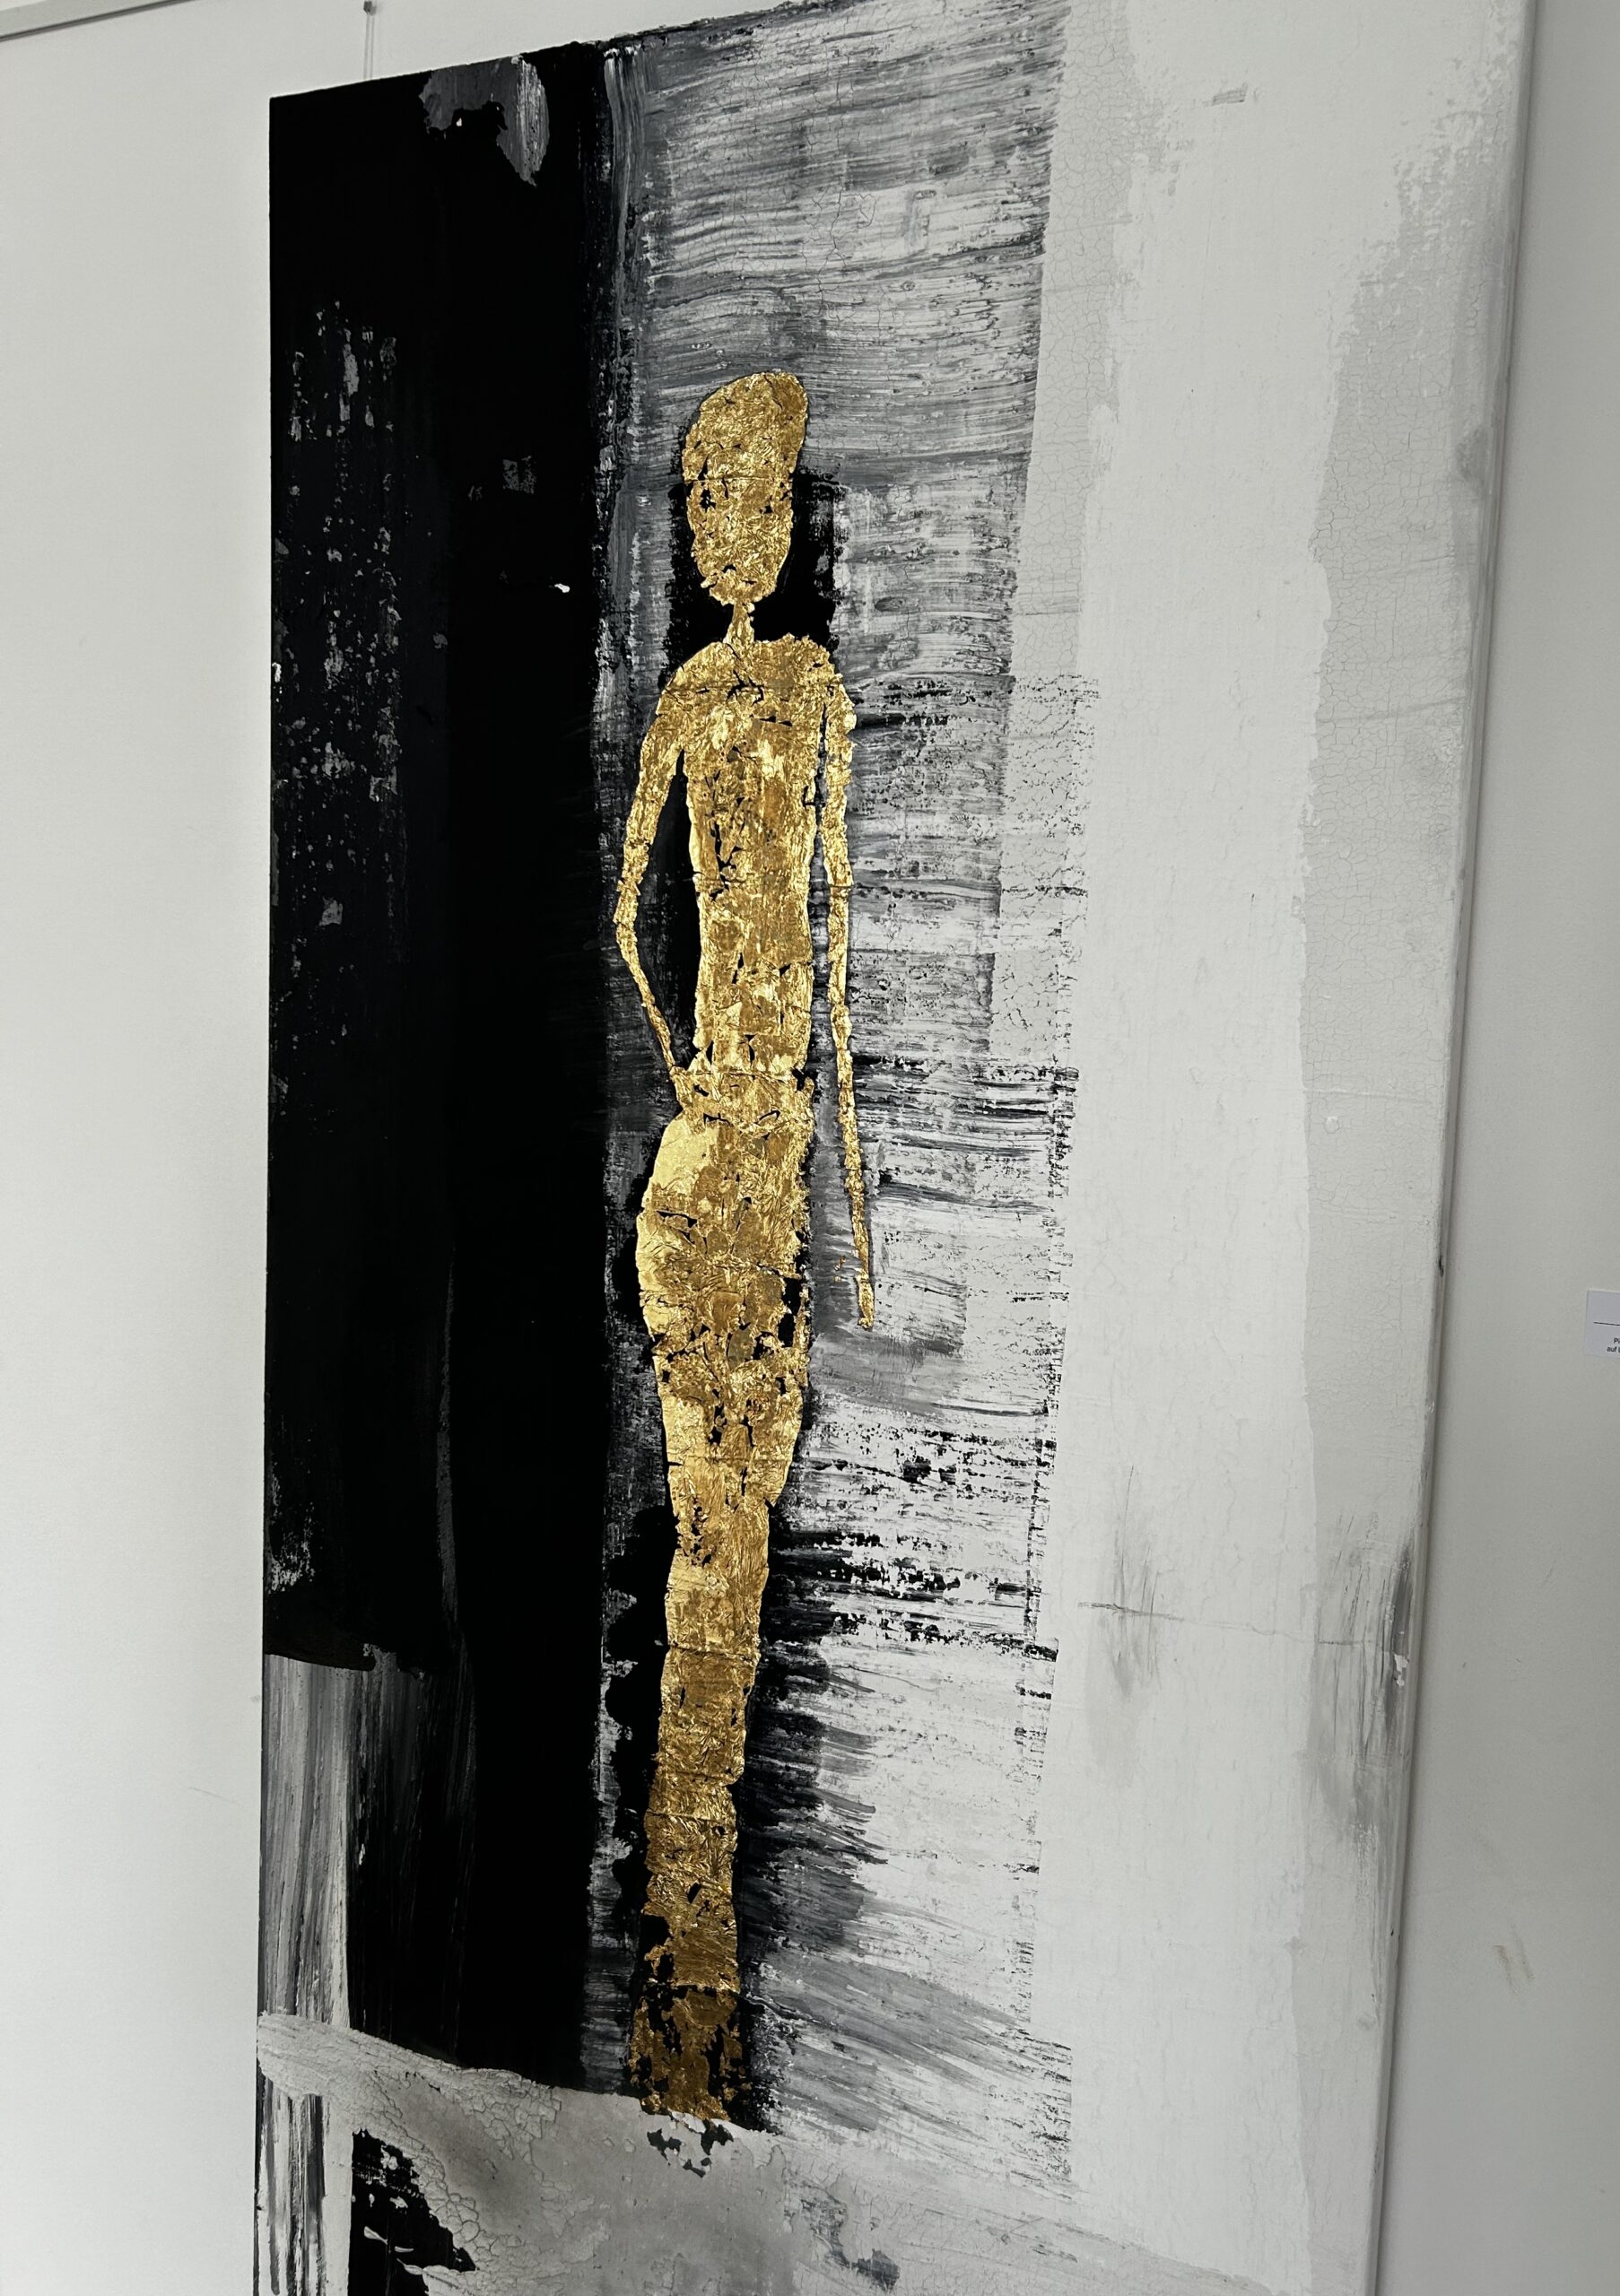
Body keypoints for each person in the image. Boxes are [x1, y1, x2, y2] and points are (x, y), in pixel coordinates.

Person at [614, 370, 873, 2118]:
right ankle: (685, 2018)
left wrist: (710, 1081)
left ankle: (681, 2004)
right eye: (715, 505)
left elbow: (654, 929)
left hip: (723, 1148)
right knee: (723, 1561)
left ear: (782, 517)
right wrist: (750, 1096)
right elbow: (797, 944)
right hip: (736, 1161)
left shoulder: (752, 696)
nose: (736, 532)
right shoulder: (757, 694)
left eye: (756, 501)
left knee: (719, 1562)